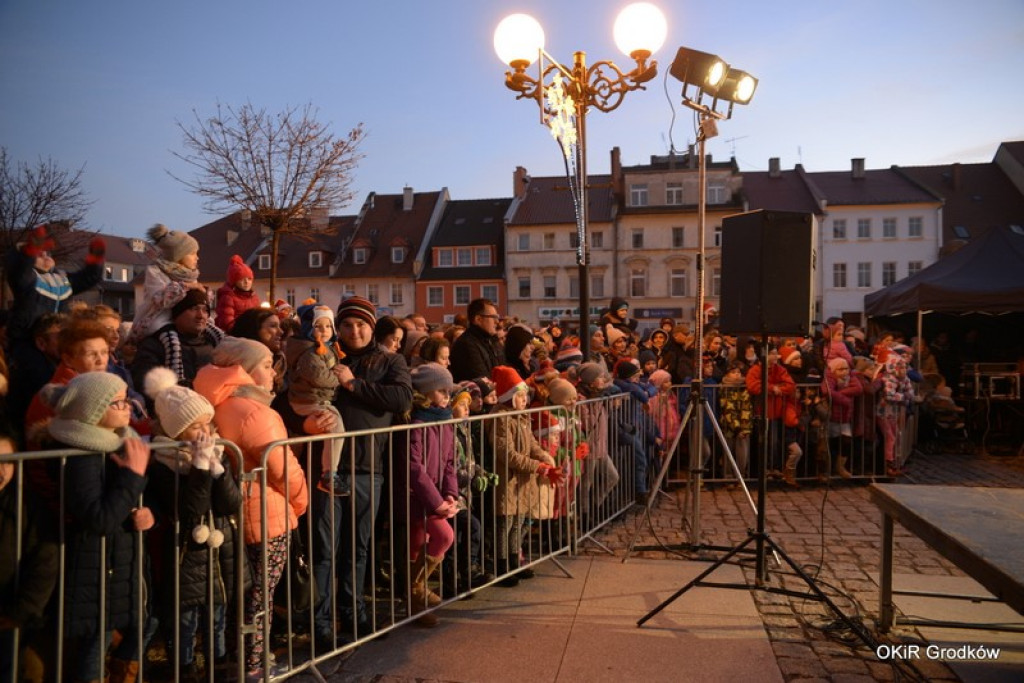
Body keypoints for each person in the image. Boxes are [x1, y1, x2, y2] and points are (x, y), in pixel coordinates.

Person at [193, 337, 307, 680]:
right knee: (260, 599)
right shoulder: (256, 412)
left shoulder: (215, 403)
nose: (274, 374)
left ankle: (239, 661)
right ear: (244, 370)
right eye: (267, 365)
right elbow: (283, 469)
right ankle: (255, 665)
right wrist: (300, 503)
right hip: (267, 516)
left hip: (232, 517)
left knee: (240, 595)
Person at [39, 372, 154, 683]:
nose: (127, 406)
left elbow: (118, 503)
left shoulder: (117, 441)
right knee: (95, 641)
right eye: (118, 402)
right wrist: (133, 476)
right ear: (93, 409)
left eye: (127, 399)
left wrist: (142, 512)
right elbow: (99, 517)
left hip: (115, 560)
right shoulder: (81, 455)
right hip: (93, 562)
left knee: (141, 621)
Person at [313, 296, 412, 650]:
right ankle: (322, 622)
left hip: (369, 469)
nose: (354, 331)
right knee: (326, 551)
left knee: (358, 549)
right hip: (328, 470)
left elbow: (402, 399)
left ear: (372, 327)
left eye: (361, 325)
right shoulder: (323, 357)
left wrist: (354, 384)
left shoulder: (390, 360)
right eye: (347, 325)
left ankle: (354, 611)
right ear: (337, 328)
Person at [143, 367, 243, 680]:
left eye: (207, 423)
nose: (205, 432)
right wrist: (200, 467)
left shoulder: (217, 453)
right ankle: (183, 670)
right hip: (185, 554)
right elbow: (191, 510)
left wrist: (217, 469)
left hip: (217, 550)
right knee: (184, 621)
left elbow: (230, 503)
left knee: (216, 617)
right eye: (194, 426)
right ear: (174, 432)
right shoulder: (162, 462)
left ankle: (218, 669)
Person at [485, 366, 560, 586]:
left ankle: (513, 561)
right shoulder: (501, 419)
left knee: (518, 521)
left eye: (525, 396)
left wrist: (544, 457)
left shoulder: (522, 418)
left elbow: (532, 443)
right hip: (508, 478)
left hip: (523, 479)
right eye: (519, 396)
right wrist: (536, 466)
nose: (524, 400)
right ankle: (502, 565)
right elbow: (506, 453)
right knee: (505, 522)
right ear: (509, 397)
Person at [398, 363, 459, 627]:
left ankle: (414, 602)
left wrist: (450, 495)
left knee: (421, 546)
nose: (447, 395)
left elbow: (449, 462)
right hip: (416, 497)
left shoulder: (444, 421)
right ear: (426, 391)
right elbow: (414, 467)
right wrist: (437, 503)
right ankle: (416, 593)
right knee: (442, 536)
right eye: (441, 390)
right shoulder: (417, 423)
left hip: (433, 497)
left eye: (448, 390)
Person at [0, 423, 58, 683]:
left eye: (8, 461)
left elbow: (45, 561)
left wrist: (18, 614)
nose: (1, 471)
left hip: (13, 619)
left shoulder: (27, 505)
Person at [3, 223, 104, 354]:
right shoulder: (28, 278)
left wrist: (96, 258)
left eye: (46, 253)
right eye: (39, 254)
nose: (45, 254)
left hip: (58, 339)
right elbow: (20, 270)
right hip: (27, 340)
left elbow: (88, 278)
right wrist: (29, 251)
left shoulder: (61, 278)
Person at [285, 304, 349, 497]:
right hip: (308, 399)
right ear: (308, 328)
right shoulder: (309, 353)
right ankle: (329, 475)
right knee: (336, 427)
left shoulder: (325, 349)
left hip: (316, 398)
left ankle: (330, 473)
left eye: (328, 326)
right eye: (319, 326)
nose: (324, 331)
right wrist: (340, 379)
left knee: (335, 427)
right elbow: (319, 377)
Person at [132, 288, 224, 393]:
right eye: (194, 308)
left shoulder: (216, 343)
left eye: (205, 310)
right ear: (177, 314)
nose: (201, 316)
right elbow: (145, 386)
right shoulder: (154, 346)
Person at [129, 223, 203, 344]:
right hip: (158, 319)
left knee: (212, 330)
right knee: (171, 339)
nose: (197, 258)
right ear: (177, 255)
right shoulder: (155, 271)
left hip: (185, 319)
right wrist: (187, 286)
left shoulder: (190, 275)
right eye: (192, 253)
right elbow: (160, 299)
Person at [746, 347, 802, 487]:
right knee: (763, 443)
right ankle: (762, 471)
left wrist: (777, 389)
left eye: (776, 353)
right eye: (772, 353)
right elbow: (752, 386)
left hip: (777, 412)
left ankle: (773, 469)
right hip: (761, 412)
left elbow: (790, 385)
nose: (776, 356)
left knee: (774, 443)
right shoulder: (756, 370)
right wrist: (773, 388)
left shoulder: (779, 369)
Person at [574, 363, 620, 522]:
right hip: (589, 448)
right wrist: (596, 402)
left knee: (613, 477)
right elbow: (587, 422)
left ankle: (595, 505)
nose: (603, 380)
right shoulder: (582, 398)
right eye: (599, 377)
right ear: (591, 380)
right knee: (586, 484)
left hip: (601, 446)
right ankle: (585, 515)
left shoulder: (599, 395)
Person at [611, 359, 661, 505]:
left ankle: (640, 491)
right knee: (639, 460)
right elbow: (644, 395)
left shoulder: (633, 384)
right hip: (626, 428)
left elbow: (652, 388)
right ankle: (639, 492)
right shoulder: (623, 385)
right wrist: (644, 391)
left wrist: (645, 390)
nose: (637, 378)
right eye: (634, 375)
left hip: (635, 427)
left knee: (640, 459)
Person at [821, 357, 863, 479]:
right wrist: (844, 399)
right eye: (841, 369)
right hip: (831, 415)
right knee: (830, 444)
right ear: (834, 370)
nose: (845, 371)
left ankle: (840, 467)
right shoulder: (829, 377)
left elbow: (858, 388)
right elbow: (827, 391)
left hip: (845, 416)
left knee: (846, 441)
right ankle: (826, 470)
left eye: (846, 368)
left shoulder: (851, 377)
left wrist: (840, 393)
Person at [876, 353, 915, 477]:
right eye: (900, 367)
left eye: (904, 367)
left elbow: (910, 392)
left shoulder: (904, 378)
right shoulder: (889, 378)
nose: (903, 370)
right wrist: (904, 397)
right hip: (884, 412)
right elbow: (889, 395)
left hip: (894, 412)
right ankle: (889, 465)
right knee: (890, 437)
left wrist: (905, 396)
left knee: (897, 436)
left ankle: (896, 463)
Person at [231, 307, 287, 394]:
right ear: (254, 329)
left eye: (279, 326)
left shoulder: (279, 359)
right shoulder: (235, 363)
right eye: (273, 326)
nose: (281, 331)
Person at [718, 361, 753, 489]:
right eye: (733, 372)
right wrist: (736, 427)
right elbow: (728, 408)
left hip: (744, 425)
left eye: (738, 372)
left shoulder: (745, 387)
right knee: (729, 452)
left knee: (742, 453)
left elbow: (747, 408)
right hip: (729, 426)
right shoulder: (724, 388)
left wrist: (743, 428)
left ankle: (740, 477)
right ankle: (728, 477)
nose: (736, 375)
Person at [449, 298, 503, 383]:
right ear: (478, 319)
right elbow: (482, 380)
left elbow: (505, 369)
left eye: (497, 317)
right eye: (493, 317)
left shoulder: (492, 341)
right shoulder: (466, 345)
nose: (497, 321)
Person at [215, 254, 261, 333]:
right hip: (235, 335)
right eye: (242, 279)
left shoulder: (253, 297)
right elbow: (226, 321)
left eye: (249, 279)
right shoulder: (228, 297)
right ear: (234, 281)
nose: (246, 282)